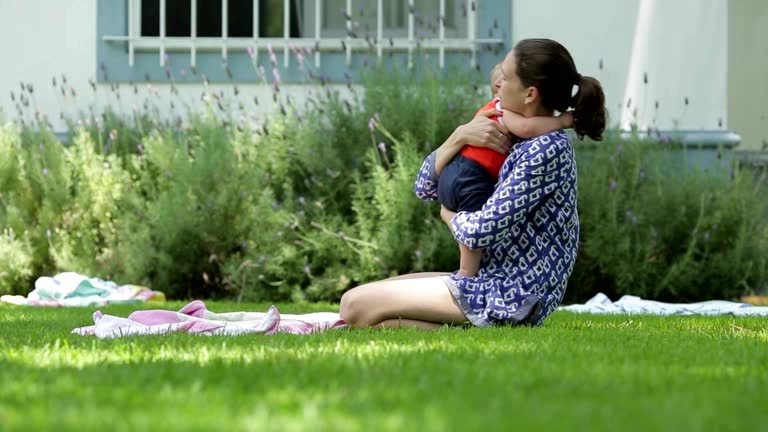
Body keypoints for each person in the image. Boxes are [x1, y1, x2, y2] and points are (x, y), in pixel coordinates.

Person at [339, 38, 606, 329]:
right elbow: (425, 186)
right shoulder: (511, 131)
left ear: (530, 94)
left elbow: (481, 232)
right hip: (485, 279)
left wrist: (449, 216)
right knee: (359, 304)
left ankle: (484, 326)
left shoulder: (546, 149)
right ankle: (462, 326)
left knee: (355, 306)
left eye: (506, 77)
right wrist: (460, 137)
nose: (498, 83)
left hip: (511, 295)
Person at [439, 62, 574, 278]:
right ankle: (466, 275)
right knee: (473, 229)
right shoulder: (501, 109)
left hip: (453, 172)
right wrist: (561, 120)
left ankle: (466, 273)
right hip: (472, 176)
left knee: (471, 221)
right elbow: (527, 128)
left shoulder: (491, 111)